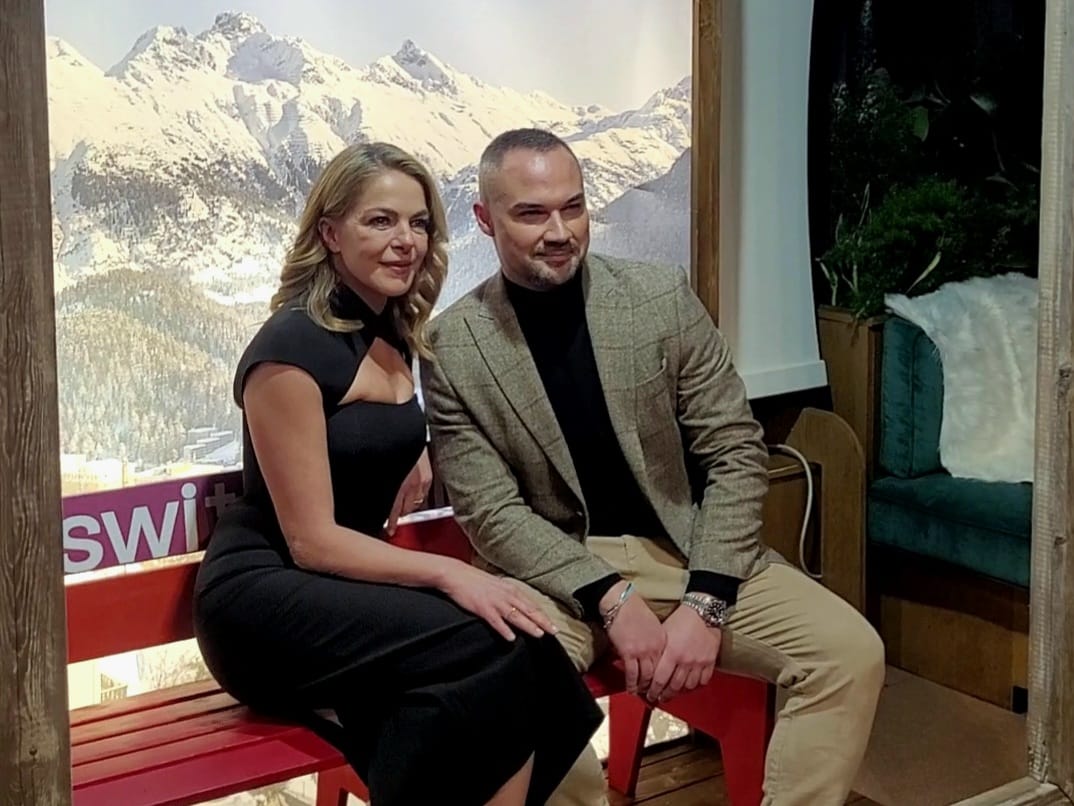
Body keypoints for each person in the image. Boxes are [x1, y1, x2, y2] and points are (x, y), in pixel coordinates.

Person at [420, 128, 886, 806]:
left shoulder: (658, 298)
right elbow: (491, 513)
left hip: (683, 548)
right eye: (531, 214)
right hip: (553, 572)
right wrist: (610, 598)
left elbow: (735, 449)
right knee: (516, 698)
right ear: (485, 220)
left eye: (573, 207)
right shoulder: (452, 346)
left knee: (848, 653)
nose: (560, 232)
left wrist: (707, 602)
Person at [192, 141, 602, 806]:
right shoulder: (288, 349)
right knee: (498, 644)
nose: (406, 240)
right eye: (380, 221)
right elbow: (311, 541)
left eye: (418, 223)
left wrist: (415, 446)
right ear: (330, 233)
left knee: (519, 648)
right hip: (264, 601)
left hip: (341, 592)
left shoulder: (387, 329)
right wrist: (452, 573)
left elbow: (357, 436)